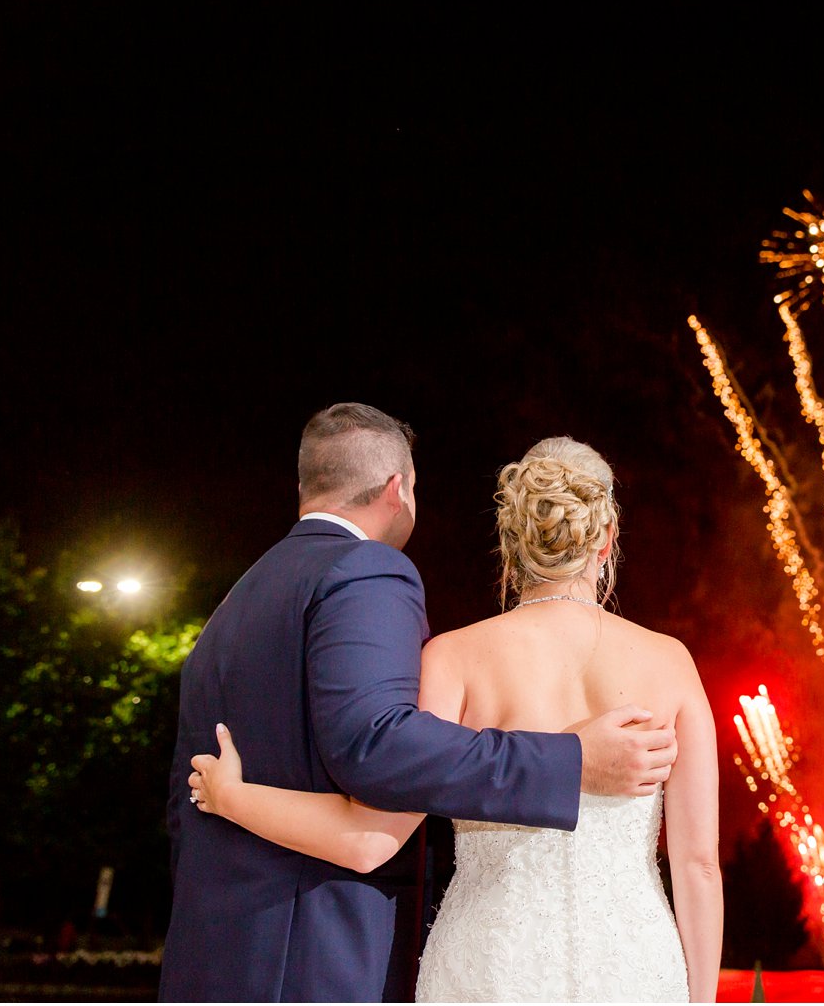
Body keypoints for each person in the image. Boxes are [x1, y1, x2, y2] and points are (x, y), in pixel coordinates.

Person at [160, 407, 677, 1003]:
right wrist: (569, 759)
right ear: (396, 489)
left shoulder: (233, 603)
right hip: (311, 958)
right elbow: (379, 747)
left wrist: (232, 798)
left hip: (217, 955)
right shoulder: (366, 570)